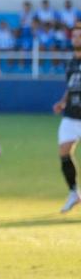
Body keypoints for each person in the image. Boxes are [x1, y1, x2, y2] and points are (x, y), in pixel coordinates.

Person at [52, 26, 81, 213]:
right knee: (64, 151)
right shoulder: (70, 63)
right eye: (75, 36)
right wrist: (62, 102)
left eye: (80, 36)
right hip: (71, 114)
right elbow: (71, 87)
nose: (76, 39)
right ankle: (73, 193)